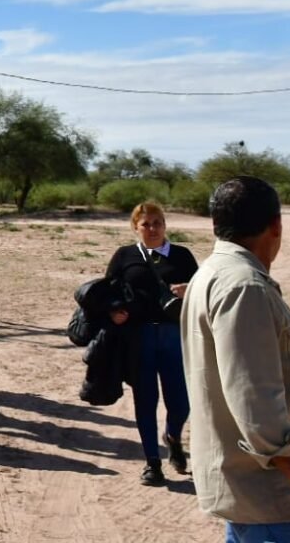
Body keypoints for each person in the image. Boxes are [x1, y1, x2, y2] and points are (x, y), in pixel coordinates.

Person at [183, 176, 290, 541]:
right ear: (276, 225)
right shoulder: (244, 286)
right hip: (263, 491)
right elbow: (253, 395)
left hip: (247, 489)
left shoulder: (211, 272)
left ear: (216, 223)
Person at [105, 201, 198, 486]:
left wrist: (189, 290)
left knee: (181, 402)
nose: (153, 229)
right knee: (145, 400)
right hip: (139, 337)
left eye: (158, 223)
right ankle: (152, 462)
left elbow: (205, 292)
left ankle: (173, 436)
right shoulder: (125, 256)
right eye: (146, 224)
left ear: (165, 225)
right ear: (136, 227)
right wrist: (114, 311)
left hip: (174, 337)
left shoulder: (182, 255)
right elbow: (107, 291)